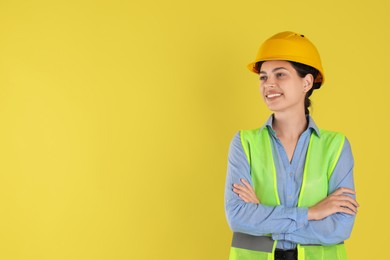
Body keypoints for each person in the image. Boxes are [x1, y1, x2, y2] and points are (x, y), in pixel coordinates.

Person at [224, 31, 359, 260]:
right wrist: (312, 213)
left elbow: (340, 226)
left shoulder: (336, 147)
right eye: (263, 77)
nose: (269, 84)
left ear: (307, 82)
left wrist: (262, 216)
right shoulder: (244, 143)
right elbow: (238, 216)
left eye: (280, 75)